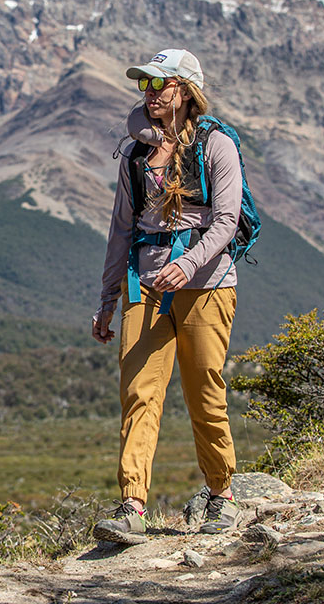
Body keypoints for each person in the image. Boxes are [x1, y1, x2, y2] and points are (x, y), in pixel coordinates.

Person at [91, 48, 243, 543]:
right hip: (144, 286)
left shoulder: (216, 145)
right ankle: (132, 505)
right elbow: (120, 230)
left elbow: (226, 221)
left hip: (207, 284)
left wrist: (189, 263)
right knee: (139, 394)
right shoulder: (135, 153)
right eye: (145, 86)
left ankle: (222, 495)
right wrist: (107, 298)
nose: (151, 94)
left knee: (205, 392)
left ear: (186, 89)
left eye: (160, 84)